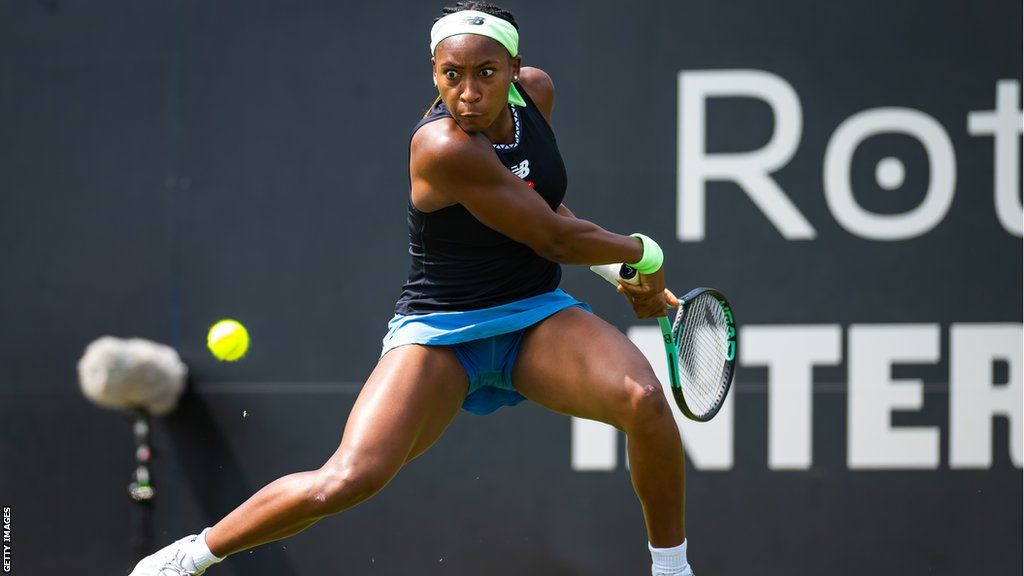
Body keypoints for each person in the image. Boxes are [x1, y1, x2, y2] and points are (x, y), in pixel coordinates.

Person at [129, 3, 691, 575]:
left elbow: (538, 206)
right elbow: (553, 238)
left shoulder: (536, 95)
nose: (468, 93)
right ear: (434, 73)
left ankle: (672, 570)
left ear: (515, 68)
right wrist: (644, 255)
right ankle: (186, 559)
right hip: (442, 331)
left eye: (486, 73)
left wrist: (616, 271)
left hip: (536, 317)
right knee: (348, 479)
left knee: (644, 402)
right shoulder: (442, 147)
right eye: (452, 75)